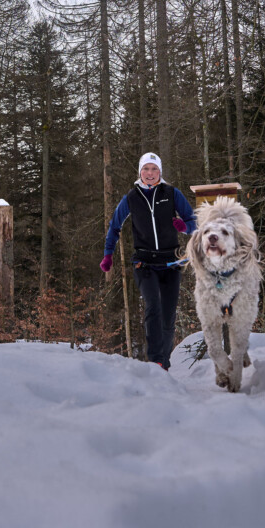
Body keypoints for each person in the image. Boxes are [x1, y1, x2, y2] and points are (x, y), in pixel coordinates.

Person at [100, 152, 196, 370]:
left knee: (168, 315)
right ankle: (155, 361)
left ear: (160, 172)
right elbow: (114, 226)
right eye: (146, 169)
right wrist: (108, 254)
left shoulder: (171, 193)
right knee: (153, 306)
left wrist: (185, 227)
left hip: (171, 262)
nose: (150, 173)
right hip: (144, 262)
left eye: (154, 169)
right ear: (140, 172)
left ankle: (165, 362)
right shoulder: (131, 198)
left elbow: (193, 221)